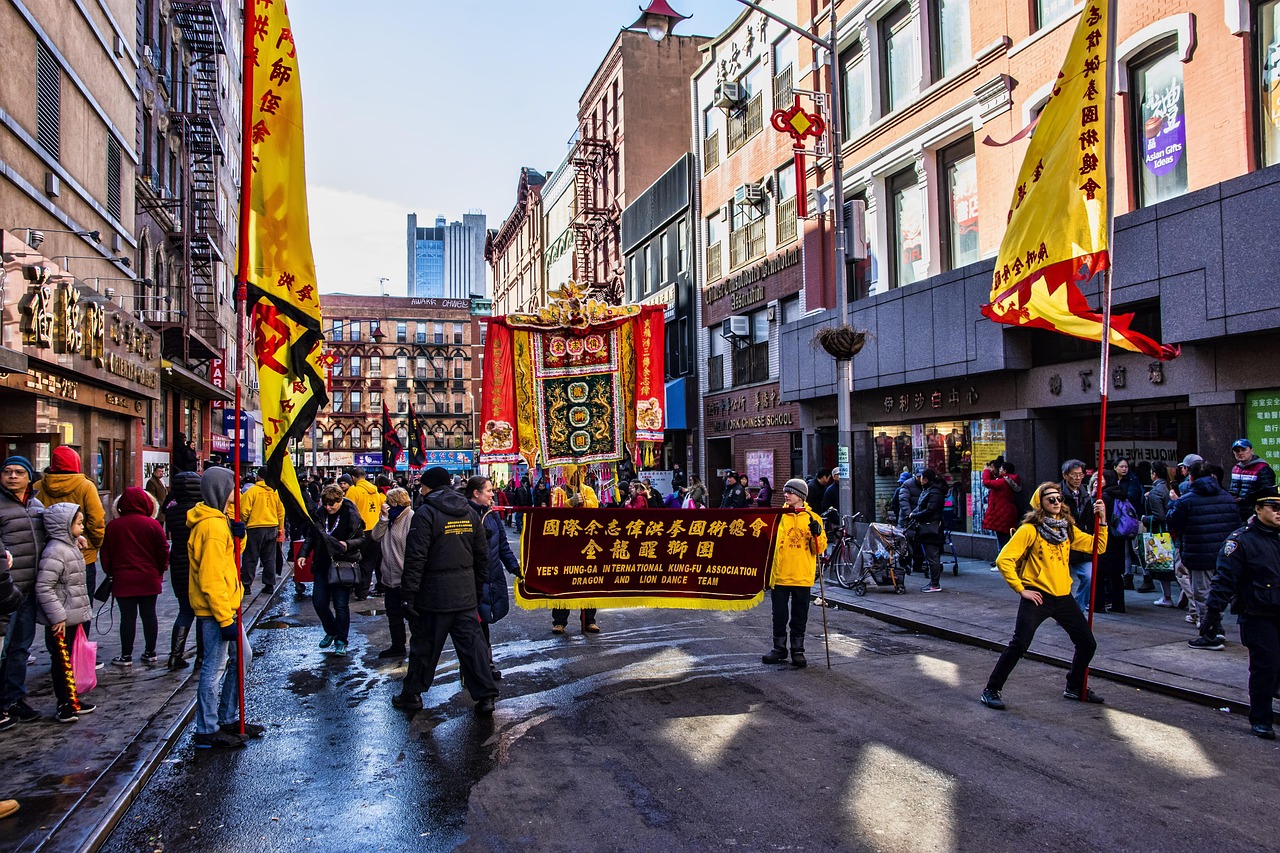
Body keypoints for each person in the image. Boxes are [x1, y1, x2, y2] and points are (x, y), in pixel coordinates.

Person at [980, 484, 1109, 710]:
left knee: (1087, 643)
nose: (1057, 502)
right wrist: (1021, 589)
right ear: (1040, 504)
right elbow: (1004, 560)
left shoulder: (1067, 529)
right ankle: (991, 689)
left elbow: (1097, 547)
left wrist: (1103, 520)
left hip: (1063, 596)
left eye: (1059, 498)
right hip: (1037, 596)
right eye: (1051, 499)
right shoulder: (1029, 530)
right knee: (1019, 644)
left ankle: (1075, 686)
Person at [393, 467, 497, 715]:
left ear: (429, 487)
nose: (420, 490)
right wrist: (476, 588)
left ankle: (412, 694)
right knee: (473, 648)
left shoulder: (426, 513)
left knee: (425, 648)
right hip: (464, 594)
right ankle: (486, 696)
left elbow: (415, 558)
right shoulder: (469, 512)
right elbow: (482, 556)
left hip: (434, 595)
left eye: (422, 486)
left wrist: (408, 595)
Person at [1188, 486, 1280, 739]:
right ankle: (1261, 719)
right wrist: (1213, 613)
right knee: (1265, 667)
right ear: (1258, 509)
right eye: (1274, 508)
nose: (1279, 513)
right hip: (1258, 614)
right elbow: (1224, 580)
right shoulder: (1241, 541)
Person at [187, 466, 260, 748]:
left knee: (242, 657)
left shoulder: (221, 521)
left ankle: (227, 717)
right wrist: (224, 618)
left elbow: (229, 559)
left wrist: (239, 537)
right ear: (221, 490)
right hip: (217, 611)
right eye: (233, 487)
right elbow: (211, 578)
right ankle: (207, 729)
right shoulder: (211, 527)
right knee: (214, 668)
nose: (237, 492)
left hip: (228, 606)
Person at [34, 504, 96, 723]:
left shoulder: (68, 547)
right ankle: (64, 704)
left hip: (71, 615)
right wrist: (57, 615)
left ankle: (73, 700)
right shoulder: (56, 551)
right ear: (64, 526)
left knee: (70, 660)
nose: (82, 527)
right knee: (62, 662)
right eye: (79, 524)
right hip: (61, 618)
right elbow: (44, 586)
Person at [761, 479, 827, 668]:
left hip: (802, 576)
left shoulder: (813, 518)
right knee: (779, 615)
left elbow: (818, 549)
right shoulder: (778, 517)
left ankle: (798, 650)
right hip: (780, 575)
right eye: (785, 491)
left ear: (801, 496)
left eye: (790, 492)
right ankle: (779, 648)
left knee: (799, 616)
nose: (786, 495)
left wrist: (817, 534)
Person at [1167, 460, 1240, 629]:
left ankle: (1211, 629)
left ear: (1191, 477)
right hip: (1224, 552)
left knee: (1202, 592)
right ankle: (1215, 624)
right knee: (1219, 590)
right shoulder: (1228, 498)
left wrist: (1173, 503)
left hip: (1198, 552)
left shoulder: (1185, 501)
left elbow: (1173, 523)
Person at [35, 447, 105, 624]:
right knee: (81, 606)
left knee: (52, 606)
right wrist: (94, 544)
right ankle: (79, 642)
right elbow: (96, 519)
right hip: (82, 555)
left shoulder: (38, 487)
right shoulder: (85, 486)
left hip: (49, 555)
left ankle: (56, 642)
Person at [0, 456, 45, 725]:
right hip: (4, 591)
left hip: (29, 590)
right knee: (2, 649)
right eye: (7, 472)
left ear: (29, 477)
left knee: (20, 648)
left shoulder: (36, 506)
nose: (13, 476)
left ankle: (14, 699)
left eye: (19, 472)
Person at [102, 488, 169, 667]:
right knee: (149, 615)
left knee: (127, 618)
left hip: (123, 579)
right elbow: (163, 551)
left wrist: (111, 572)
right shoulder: (152, 525)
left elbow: (106, 554)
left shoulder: (113, 526)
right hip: (149, 577)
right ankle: (150, 652)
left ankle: (126, 655)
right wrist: (160, 570)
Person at [466, 476, 522, 680]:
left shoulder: (492, 515)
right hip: (470, 579)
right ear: (476, 493)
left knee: (484, 622)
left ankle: (486, 663)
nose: (492, 494)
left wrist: (515, 568)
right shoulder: (464, 514)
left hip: (492, 576)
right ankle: (474, 668)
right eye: (488, 491)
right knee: (473, 625)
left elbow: (503, 546)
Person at [300, 484, 365, 655]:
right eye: (325, 504)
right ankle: (331, 630)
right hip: (322, 564)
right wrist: (302, 554)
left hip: (343, 564)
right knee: (319, 602)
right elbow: (311, 536)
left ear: (340, 500)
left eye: (332, 504)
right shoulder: (320, 514)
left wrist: (347, 544)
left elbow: (361, 538)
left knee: (341, 605)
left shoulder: (351, 515)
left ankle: (341, 640)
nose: (328, 507)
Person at [164, 471, 203, 669]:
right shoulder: (201, 512)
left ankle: (175, 655)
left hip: (178, 564)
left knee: (185, 610)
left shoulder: (171, 512)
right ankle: (202, 656)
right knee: (202, 612)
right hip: (198, 565)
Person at [371, 487, 414, 660]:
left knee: (411, 615)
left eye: (388, 501)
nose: (385, 504)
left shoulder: (411, 517)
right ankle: (398, 646)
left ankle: (418, 647)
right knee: (393, 614)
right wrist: (383, 518)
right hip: (388, 577)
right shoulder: (388, 519)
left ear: (395, 502)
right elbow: (375, 536)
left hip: (405, 577)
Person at [240, 468, 285, 594]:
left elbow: (243, 511)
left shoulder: (252, 491)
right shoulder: (275, 492)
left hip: (255, 527)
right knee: (269, 557)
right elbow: (281, 512)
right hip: (272, 527)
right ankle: (269, 584)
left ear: (258, 477)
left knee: (251, 557)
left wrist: (245, 522)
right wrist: (280, 528)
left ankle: (246, 585)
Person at [1091, 468, 1130, 613]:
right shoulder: (1120, 493)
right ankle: (1118, 604)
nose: (1097, 482)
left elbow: (1096, 517)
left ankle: (1098, 604)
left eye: (1100, 479)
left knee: (1099, 573)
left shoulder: (1103, 497)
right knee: (1115, 574)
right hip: (1118, 537)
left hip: (1106, 536)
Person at [1058, 459, 1094, 612]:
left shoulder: (1085, 494)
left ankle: (1078, 610)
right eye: (1074, 474)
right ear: (1065, 475)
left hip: (1081, 542)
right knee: (1062, 583)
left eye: (1081, 474)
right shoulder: (1057, 494)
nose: (1078, 478)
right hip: (1062, 542)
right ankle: (1065, 612)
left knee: (1089, 576)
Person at [346, 467, 385, 600]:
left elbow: (348, 511)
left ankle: (351, 587)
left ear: (353, 477)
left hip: (359, 531)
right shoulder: (375, 491)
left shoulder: (354, 490)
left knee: (354, 560)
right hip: (374, 530)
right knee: (369, 562)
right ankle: (362, 591)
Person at [1144, 462, 1179, 607]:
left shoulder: (1156, 492)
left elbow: (1159, 516)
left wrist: (1145, 519)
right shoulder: (1171, 487)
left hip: (1162, 534)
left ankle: (1167, 597)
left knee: (1162, 565)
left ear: (1154, 474)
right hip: (1174, 531)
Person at [909, 468, 947, 593]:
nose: (920, 479)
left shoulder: (934, 492)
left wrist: (916, 515)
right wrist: (914, 514)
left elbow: (930, 510)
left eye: (921, 477)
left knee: (932, 556)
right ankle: (933, 582)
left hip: (932, 528)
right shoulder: (928, 490)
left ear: (925, 479)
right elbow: (921, 507)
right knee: (931, 556)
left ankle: (935, 584)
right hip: (928, 527)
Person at [982, 460, 1022, 556]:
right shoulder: (1007, 481)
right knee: (1004, 537)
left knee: (1003, 538)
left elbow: (987, 482)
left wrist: (986, 471)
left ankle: (1003, 558)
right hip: (1005, 513)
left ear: (1005, 471)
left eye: (1001, 469)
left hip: (1002, 514)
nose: (999, 470)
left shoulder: (1004, 482)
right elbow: (993, 482)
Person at [1229, 439, 1276, 520]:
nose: (1240, 453)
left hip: (1254, 511)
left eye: (1243, 450)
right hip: (1237, 510)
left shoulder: (1262, 468)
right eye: (1237, 451)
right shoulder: (1236, 468)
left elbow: (1267, 491)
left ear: (1251, 451)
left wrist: (1245, 499)